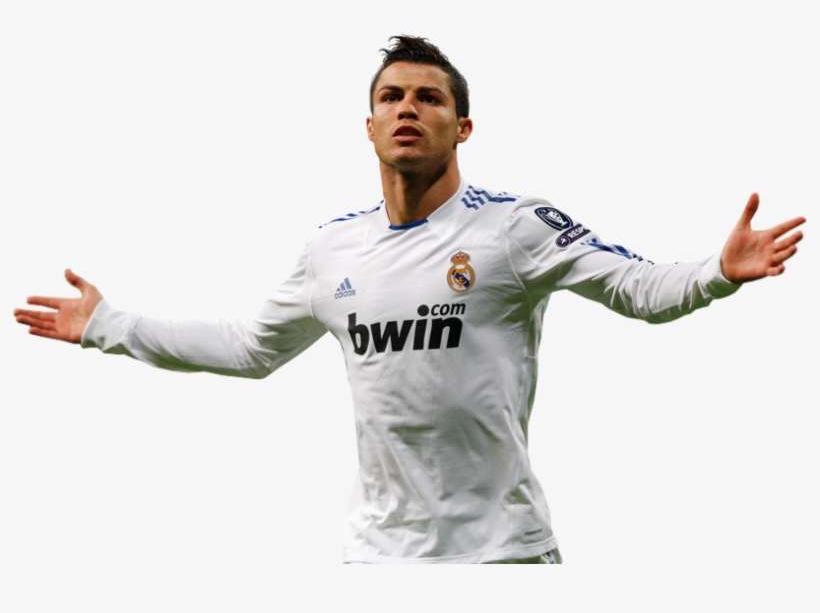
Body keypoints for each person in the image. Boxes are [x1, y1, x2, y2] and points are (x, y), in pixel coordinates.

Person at [13, 35, 805, 564]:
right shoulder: (331, 251)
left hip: (502, 553)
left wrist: (717, 270)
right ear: (368, 126)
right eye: (392, 97)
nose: (408, 109)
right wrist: (108, 325)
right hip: (380, 559)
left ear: (463, 127)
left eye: (429, 98)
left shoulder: (515, 228)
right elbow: (250, 349)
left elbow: (638, 289)